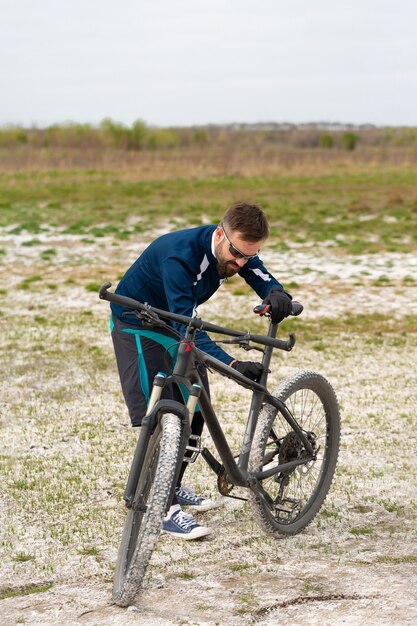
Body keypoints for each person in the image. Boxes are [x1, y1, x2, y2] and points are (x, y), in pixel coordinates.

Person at [110, 202, 292, 540]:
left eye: (247, 257)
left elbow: (255, 269)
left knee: (197, 403)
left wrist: (275, 291)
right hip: (139, 324)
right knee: (165, 411)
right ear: (220, 234)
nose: (239, 264)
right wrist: (233, 363)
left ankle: (172, 484)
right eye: (236, 254)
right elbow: (188, 327)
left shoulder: (234, 251)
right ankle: (161, 507)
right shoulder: (179, 258)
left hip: (173, 320)